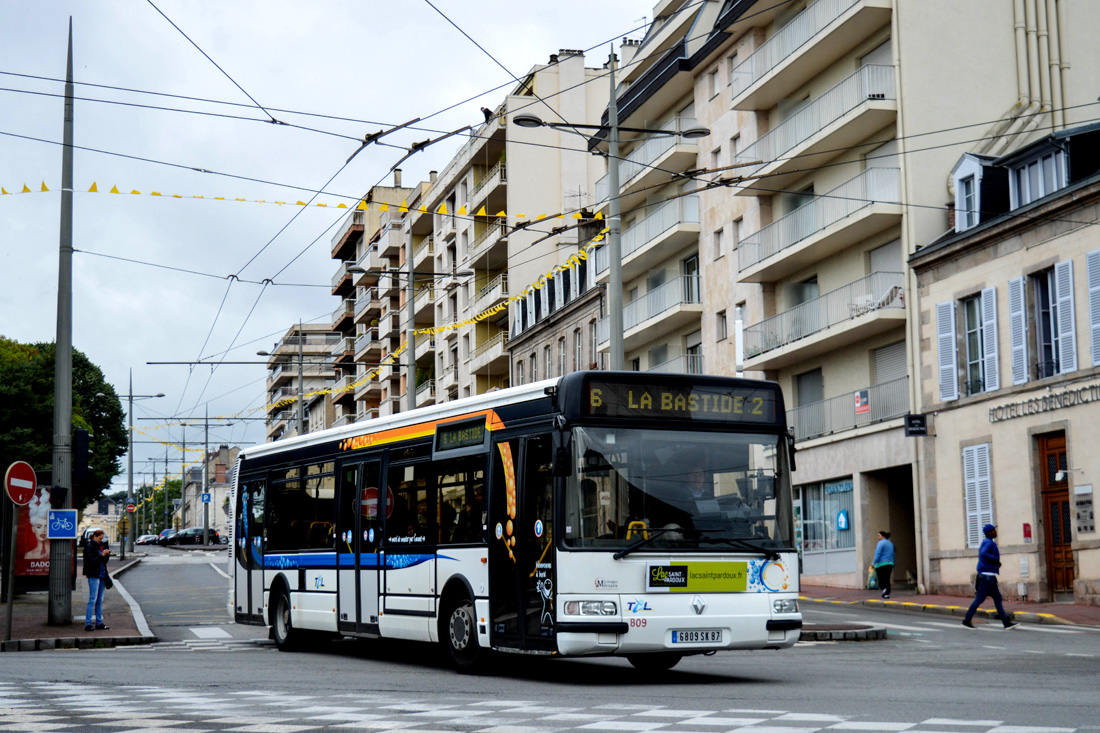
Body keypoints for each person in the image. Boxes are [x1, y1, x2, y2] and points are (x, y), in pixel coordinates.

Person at [962, 524, 1020, 630]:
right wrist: (994, 559)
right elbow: (983, 554)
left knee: (997, 598)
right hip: (986, 577)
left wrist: (996, 563)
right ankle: (966, 620)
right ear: (989, 532)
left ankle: (1006, 622)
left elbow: (984, 556)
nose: (995, 531)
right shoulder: (988, 543)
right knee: (979, 599)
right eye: (993, 530)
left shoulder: (989, 542)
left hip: (989, 576)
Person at [82, 529, 111, 631]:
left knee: (100, 600)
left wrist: (106, 555)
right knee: (93, 599)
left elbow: (103, 562)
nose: (101, 540)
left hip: (102, 575)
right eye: (100, 538)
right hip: (94, 575)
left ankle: (99, 622)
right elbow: (90, 562)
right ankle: (88, 623)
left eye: (102, 539)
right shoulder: (89, 547)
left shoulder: (100, 546)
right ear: (95, 536)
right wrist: (101, 555)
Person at [872, 531, 895, 599]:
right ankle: (886, 593)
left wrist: (873, 563)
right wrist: (893, 562)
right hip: (889, 563)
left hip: (881, 564)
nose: (878, 537)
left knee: (881, 580)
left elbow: (877, 554)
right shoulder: (890, 543)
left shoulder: (880, 543)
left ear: (883, 536)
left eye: (879, 535)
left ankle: (884, 589)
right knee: (887, 579)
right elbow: (893, 554)